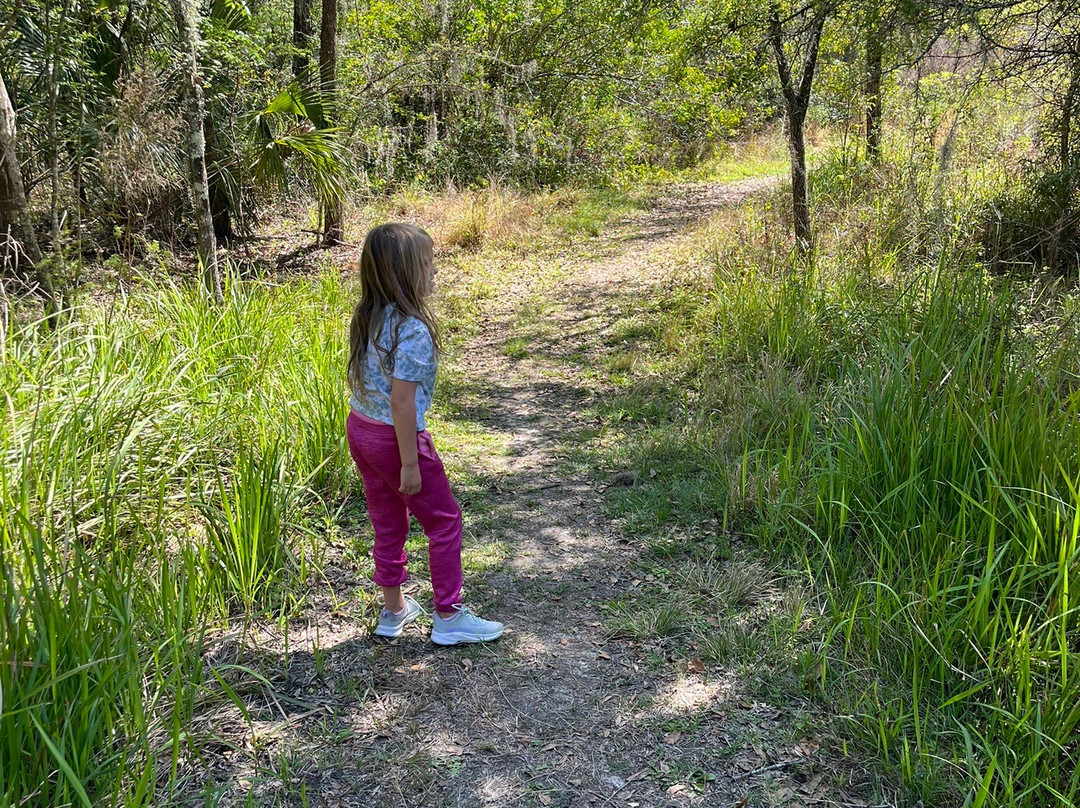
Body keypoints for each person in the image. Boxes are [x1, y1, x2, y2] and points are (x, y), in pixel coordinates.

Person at [346, 222, 503, 645]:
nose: (434, 271)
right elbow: (402, 402)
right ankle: (449, 616)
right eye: (427, 263)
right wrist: (411, 462)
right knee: (444, 522)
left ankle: (394, 610)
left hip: (361, 429)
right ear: (402, 273)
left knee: (387, 521)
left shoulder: (369, 317)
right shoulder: (413, 330)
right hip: (396, 441)